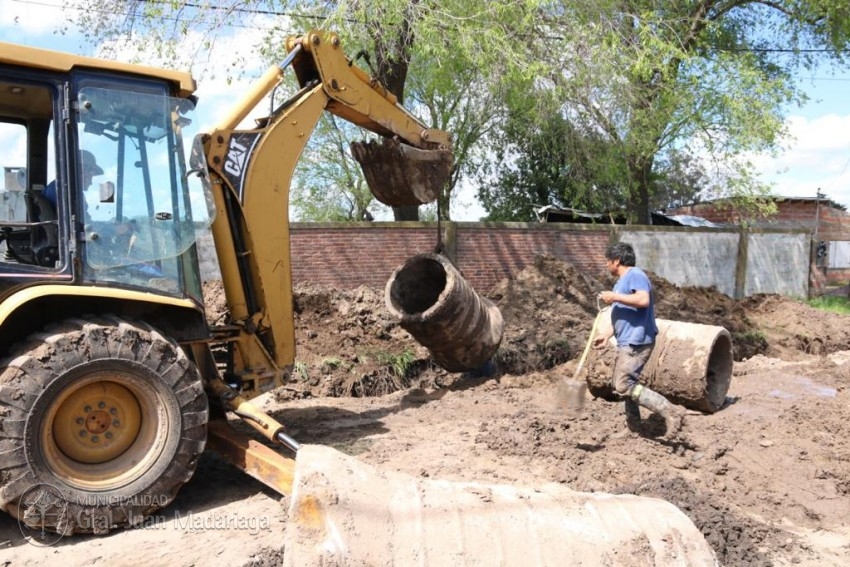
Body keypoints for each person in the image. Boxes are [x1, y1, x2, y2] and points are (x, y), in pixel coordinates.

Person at [593, 242, 685, 441]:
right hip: (627, 340)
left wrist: (614, 296)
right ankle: (634, 427)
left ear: (616, 261)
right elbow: (623, 313)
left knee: (622, 385)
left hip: (637, 341)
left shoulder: (635, 275)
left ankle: (671, 412)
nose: (606, 266)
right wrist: (607, 334)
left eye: (607, 262)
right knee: (626, 383)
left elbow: (643, 300)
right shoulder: (622, 282)